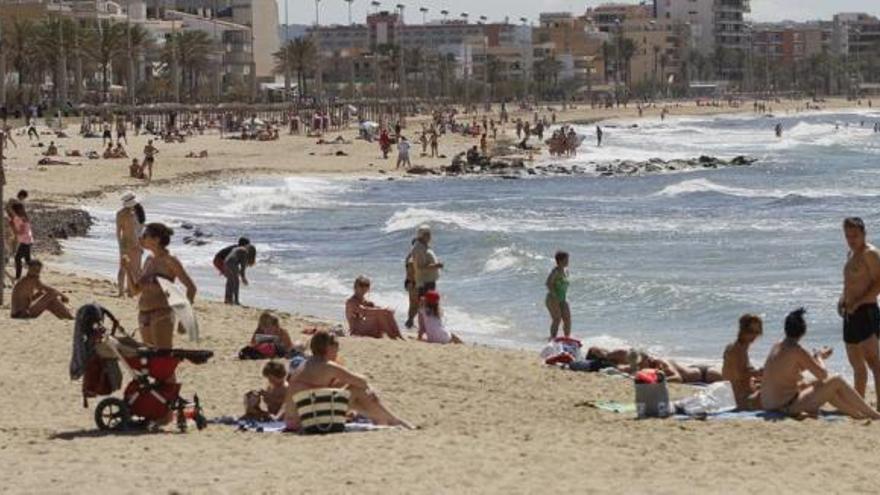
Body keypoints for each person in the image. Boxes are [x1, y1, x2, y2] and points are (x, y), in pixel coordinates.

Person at [762, 308, 880, 419]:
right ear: (803, 331)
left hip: (772, 405)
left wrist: (817, 357)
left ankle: (857, 414)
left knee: (823, 387)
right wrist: (819, 358)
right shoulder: (797, 350)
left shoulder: (777, 346)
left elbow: (790, 369)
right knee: (836, 380)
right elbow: (823, 375)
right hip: (787, 407)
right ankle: (874, 414)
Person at [284, 330, 413, 430]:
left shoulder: (305, 363)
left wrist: (347, 382)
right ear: (328, 348)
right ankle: (391, 420)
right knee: (357, 390)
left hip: (293, 419)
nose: (337, 351)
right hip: (307, 421)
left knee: (351, 390)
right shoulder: (328, 366)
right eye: (336, 347)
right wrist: (368, 388)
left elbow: (318, 388)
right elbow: (362, 381)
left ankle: (384, 419)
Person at [124, 223, 197, 349]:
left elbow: (191, 288)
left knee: (162, 357)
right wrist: (127, 269)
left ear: (156, 239)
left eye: (145, 235)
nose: (141, 238)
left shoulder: (170, 260)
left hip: (161, 314)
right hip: (143, 314)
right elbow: (135, 290)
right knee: (149, 359)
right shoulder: (148, 260)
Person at [839, 217, 880, 406]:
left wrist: (859, 302)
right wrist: (842, 300)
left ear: (864, 234)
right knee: (856, 364)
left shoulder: (870, 254)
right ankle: (860, 404)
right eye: (848, 236)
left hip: (866, 311)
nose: (851, 239)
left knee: (874, 363)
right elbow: (849, 283)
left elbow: (878, 282)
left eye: (855, 235)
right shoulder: (851, 254)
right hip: (849, 314)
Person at [722, 314, 764, 410]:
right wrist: (758, 372)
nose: (754, 335)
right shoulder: (735, 350)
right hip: (740, 399)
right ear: (742, 330)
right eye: (750, 331)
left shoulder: (741, 348)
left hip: (742, 394)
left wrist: (756, 377)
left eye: (757, 332)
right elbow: (738, 375)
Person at [116, 193, 144, 297]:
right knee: (133, 269)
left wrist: (120, 245)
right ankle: (129, 291)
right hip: (134, 244)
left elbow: (118, 232)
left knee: (124, 268)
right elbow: (138, 232)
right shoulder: (134, 215)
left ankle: (122, 291)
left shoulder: (120, 214)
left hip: (125, 243)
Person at [545, 251, 571, 339]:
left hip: (562, 298)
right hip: (553, 298)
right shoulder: (555, 272)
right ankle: (552, 339)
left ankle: (567, 338)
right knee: (557, 319)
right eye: (566, 259)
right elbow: (548, 283)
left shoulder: (566, 271)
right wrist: (554, 296)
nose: (568, 261)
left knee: (567, 319)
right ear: (560, 261)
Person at [410, 225, 443, 296]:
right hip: (425, 282)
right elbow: (420, 267)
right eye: (427, 234)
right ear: (421, 236)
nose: (429, 236)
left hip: (428, 280)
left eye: (429, 234)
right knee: (426, 303)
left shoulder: (424, 246)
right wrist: (436, 265)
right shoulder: (419, 248)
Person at [10, 202, 33, 280]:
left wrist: (13, 227)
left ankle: (18, 277)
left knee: (17, 258)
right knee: (28, 260)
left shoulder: (22, 219)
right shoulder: (24, 217)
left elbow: (21, 232)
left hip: (25, 242)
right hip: (28, 240)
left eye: (12, 210)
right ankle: (32, 275)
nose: (12, 212)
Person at [404, 240, 419, 329]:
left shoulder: (410, 256)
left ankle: (410, 322)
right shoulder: (413, 258)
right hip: (414, 283)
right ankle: (410, 321)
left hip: (410, 283)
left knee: (412, 303)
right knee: (416, 304)